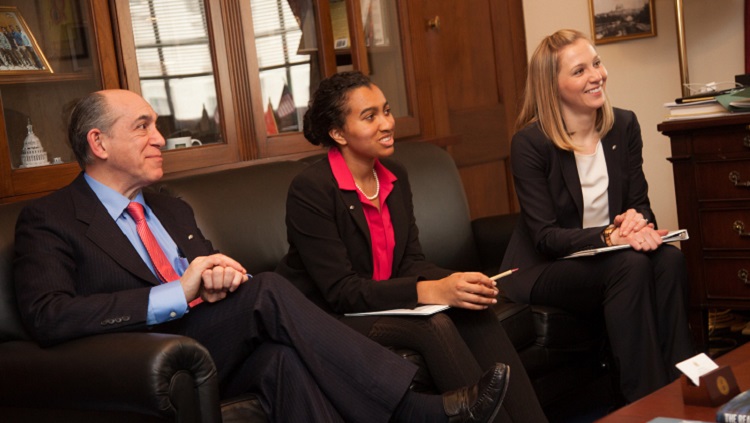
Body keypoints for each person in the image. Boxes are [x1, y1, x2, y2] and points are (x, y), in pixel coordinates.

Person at [13, 88, 510, 423]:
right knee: (271, 295)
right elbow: (47, 315)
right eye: (143, 127)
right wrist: (175, 293)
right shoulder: (51, 218)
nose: (160, 138)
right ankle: (413, 409)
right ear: (98, 142)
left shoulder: (170, 208)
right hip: (138, 357)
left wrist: (220, 275)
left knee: (283, 358)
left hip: (207, 344)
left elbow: (212, 273)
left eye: (157, 125)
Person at [276, 71, 547, 423]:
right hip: (331, 316)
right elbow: (341, 292)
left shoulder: (394, 174)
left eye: (386, 111)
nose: (387, 123)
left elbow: (410, 261)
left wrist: (459, 282)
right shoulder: (310, 189)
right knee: (432, 326)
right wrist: (431, 290)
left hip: (380, 303)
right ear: (337, 133)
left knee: (471, 305)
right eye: (370, 116)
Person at [499, 29, 695, 403]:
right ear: (551, 85)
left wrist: (636, 222)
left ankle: (686, 388)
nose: (596, 75)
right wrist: (609, 237)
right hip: (544, 266)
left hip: (608, 255)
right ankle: (647, 403)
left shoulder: (624, 124)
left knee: (668, 259)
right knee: (631, 266)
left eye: (597, 63)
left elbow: (641, 202)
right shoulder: (530, 143)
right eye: (579, 71)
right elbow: (544, 236)